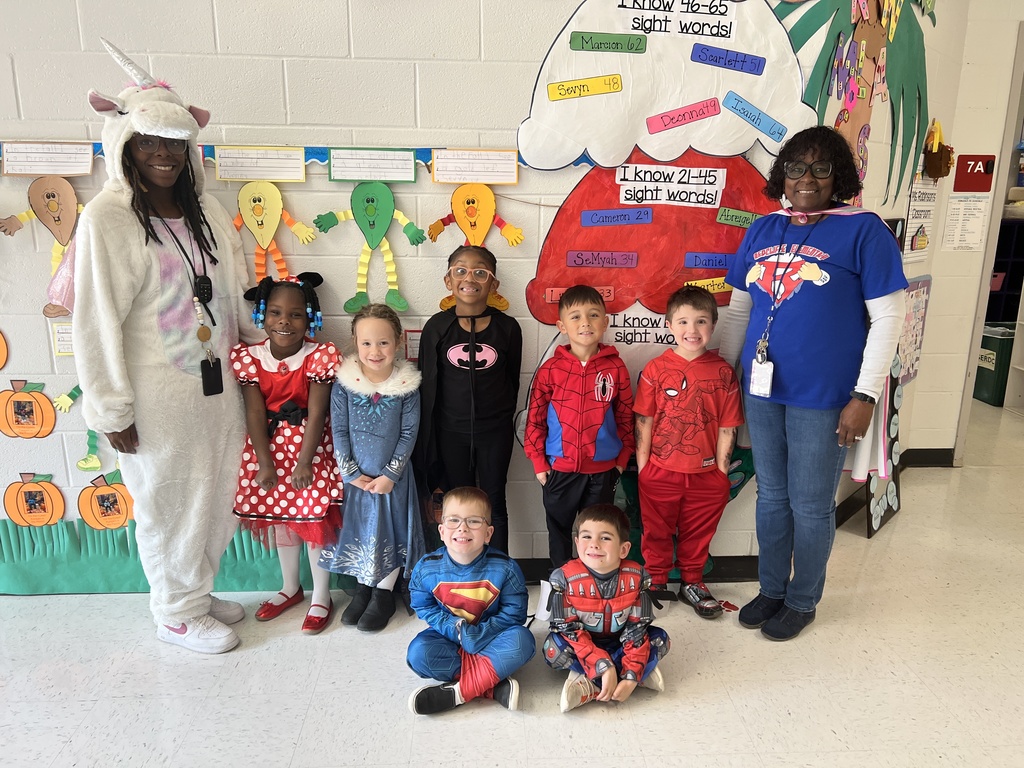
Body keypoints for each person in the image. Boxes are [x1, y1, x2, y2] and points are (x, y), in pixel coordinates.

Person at [72, 42, 262, 653]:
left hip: (217, 381)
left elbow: (233, 292)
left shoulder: (205, 208)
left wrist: (260, 356)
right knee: (167, 496)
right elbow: (95, 319)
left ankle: (195, 593)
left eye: (174, 144)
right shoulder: (107, 218)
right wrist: (111, 409)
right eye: (149, 143)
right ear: (125, 145)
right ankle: (174, 611)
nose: (163, 155)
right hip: (156, 390)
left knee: (216, 489)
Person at [716, 125, 907, 641]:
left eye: (821, 168)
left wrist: (865, 395)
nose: (807, 178)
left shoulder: (864, 231)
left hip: (825, 397)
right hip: (762, 390)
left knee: (810, 502)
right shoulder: (762, 229)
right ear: (783, 173)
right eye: (797, 167)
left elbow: (890, 319)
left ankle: (803, 599)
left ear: (838, 176)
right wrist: (720, 379)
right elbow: (738, 311)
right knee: (771, 496)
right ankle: (773, 589)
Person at [232, 273, 342, 635]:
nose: (285, 321)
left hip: (308, 449)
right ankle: (290, 587)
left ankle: (321, 595)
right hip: (269, 448)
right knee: (283, 521)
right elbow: (253, 411)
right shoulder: (250, 358)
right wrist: (265, 463)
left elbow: (318, 412)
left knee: (312, 522)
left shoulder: (320, 356)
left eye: (296, 314)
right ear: (262, 315)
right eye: (276, 312)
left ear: (311, 318)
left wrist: (305, 461)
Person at [634, 285, 744, 617]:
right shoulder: (655, 369)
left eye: (700, 322)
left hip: (707, 474)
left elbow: (728, 426)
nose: (691, 331)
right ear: (669, 325)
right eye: (682, 322)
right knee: (656, 530)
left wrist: (721, 473)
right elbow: (644, 421)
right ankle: (655, 580)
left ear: (713, 325)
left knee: (698, 532)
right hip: (660, 471)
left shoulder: (723, 372)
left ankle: (692, 581)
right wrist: (644, 468)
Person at [319, 304, 424, 632]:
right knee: (362, 531)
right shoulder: (345, 384)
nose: (375, 351)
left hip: (393, 480)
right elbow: (338, 430)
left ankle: (383, 593)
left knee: (390, 531)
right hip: (357, 481)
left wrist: (391, 475)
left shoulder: (407, 386)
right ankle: (363, 588)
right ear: (354, 342)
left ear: (397, 343)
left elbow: (408, 433)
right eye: (366, 343)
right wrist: (349, 472)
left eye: (383, 343)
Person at [415, 245, 523, 553]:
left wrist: (499, 422)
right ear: (448, 281)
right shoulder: (437, 327)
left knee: (493, 501)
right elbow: (428, 387)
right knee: (456, 503)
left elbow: (512, 381)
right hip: (450, 433)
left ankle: (499, 570)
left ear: (493, 284)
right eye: (460, 270)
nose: (469, 277)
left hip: (495, 434)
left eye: (480, 272)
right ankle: (458, 568)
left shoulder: (508, 328)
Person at [524, 285, 635, 573]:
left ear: (605, 321)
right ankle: (559, 586)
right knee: (559, 529)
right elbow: (534, 419)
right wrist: (538, 461)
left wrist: (621, 461)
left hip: (602, 470)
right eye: (575, 317)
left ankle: (594, 582)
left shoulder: (616, 368)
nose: (585, 322)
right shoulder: (550, 369)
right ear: (561, 325)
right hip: (559, 469)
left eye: (593, 315)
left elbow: (625, 417)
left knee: (597, 532)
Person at [406, 486, 536, 715]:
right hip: (449, 637)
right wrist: (454, 630)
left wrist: (481, 633)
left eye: (474, 521)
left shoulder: (506, 568)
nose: (463, 527)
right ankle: (490, 686)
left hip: (492, 637)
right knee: (418, 654)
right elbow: (422, 605)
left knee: (523, 641)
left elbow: (514, 613)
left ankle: (458, 692)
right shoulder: (426, 568)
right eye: (454, 520)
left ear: (488, 533)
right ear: (442, 531)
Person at [543, 503, 669, 713]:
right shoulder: (563, 579)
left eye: (605, 538)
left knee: (661, 639)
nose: (594, 545)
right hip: (583, 642)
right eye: (586, 537)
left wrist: (631, 674)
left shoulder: (637, 578)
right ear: (576, 542)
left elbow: (636, 630)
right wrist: (602, 664)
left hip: (622, 639)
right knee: (553, 650)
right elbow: (569, 631)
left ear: (624, 549)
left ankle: (604, 682)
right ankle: (627, 677)